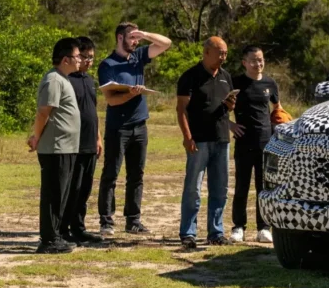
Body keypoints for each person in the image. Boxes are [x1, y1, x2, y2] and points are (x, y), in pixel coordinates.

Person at [96, 22, 172, 237]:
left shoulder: (138, 57)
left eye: (137, 38)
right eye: (132, 37)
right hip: (118, 127)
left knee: (136, 175)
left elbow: (166, 43)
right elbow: (111, 100)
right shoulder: (107, 65)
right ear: (119, 38)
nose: (136, 42)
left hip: (140, 125)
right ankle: (106, 221)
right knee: (111, 174)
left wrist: (145, 33)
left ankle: (133, 220)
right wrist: (130, 93)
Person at [176, 37, 236, 250]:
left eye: (225, 53)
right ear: (207, 52)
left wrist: (230, 105)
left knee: (220, 188)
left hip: (221, 139)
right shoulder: (190, 76)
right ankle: (188, 233)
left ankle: (216, 232)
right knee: (193, 188)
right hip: (198, 140)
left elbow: (228, 107)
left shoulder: (226, 77)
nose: (223, 57)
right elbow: (181, 109)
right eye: (220, 53)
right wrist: (187, 137)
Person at [27, 37, 82, 254]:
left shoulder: (63, 79)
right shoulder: (53, 80)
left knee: (61, 193)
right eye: (77, 56)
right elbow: (43, 112)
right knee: (53, 194)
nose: (80, 60)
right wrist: (36, 136)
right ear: (66, 59)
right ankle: (48, 240)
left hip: (67, 147)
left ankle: (56, 235)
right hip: (56, 147)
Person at [229, 45, 281, 244]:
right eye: (253, 60)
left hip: (266, 143)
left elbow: (277, 109)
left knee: (264, 187)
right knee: (241, 186)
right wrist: (231, 125)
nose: (258, 64)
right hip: (243, 142)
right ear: (244, 62)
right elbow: (220, 108)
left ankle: (264, 228)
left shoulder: (270, 83)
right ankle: (238, 227)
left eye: (260, 60)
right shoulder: (235, 83)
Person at [59, 36, 104, 245]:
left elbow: (92, 111)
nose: (88, 61)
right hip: (73, 143)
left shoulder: (89, 80)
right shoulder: (67, 79)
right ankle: (63, 229)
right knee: (72, 188)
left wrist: (98, 137)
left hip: (90, 142)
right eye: (85, 57)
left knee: (84, 189)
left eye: (92, 58)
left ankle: (79, 227)